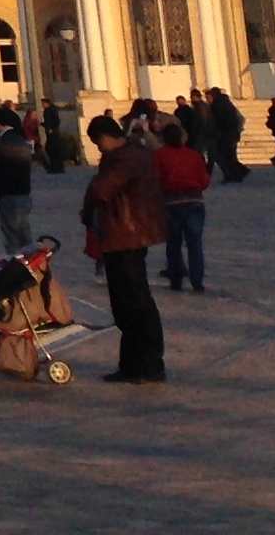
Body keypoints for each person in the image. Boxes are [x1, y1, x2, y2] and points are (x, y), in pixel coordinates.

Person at [81, 117, 165, 384]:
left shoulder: (125, 158)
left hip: (126, 235)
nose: (99, 148)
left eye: (98, 142)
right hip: (125, 235)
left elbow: (102, 190)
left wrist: (94, 186)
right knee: (126, 304)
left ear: (106, 137)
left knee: (134, 302)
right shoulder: (133, 154)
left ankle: (148, 364)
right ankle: (132, 363)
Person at [153, 118, 211, 293]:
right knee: (195, 243)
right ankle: (197, 280)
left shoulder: (159, 155)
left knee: (173, 243)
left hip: (171, 202)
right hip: (194, 201)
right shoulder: (194, 155)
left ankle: (176, 279)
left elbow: (155, 178)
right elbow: (205, 181)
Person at [0, 113, 39, 255]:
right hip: (23, 189)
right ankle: (31, 259)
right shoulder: (21, 138)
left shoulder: (4, 141)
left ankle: (16, 261)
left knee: (11, 232)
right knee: (23, 229)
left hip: (8, 190)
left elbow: (0, 164)